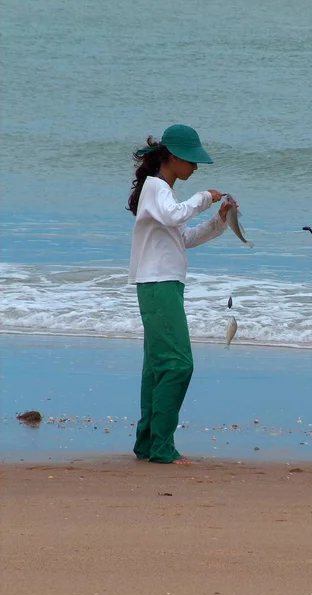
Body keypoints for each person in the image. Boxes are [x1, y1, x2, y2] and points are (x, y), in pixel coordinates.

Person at [127, 124, 235, 465]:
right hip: (158, 285)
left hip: (163, 283)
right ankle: (161, 447)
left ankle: (147, 444)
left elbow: (181, 237)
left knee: (158, 367)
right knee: (178, 365)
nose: (195, 167)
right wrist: (206, 197)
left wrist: (218, 221)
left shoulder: (162, 192)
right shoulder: (156, 188)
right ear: (172, 157)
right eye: (191, 160)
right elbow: (176, 215)